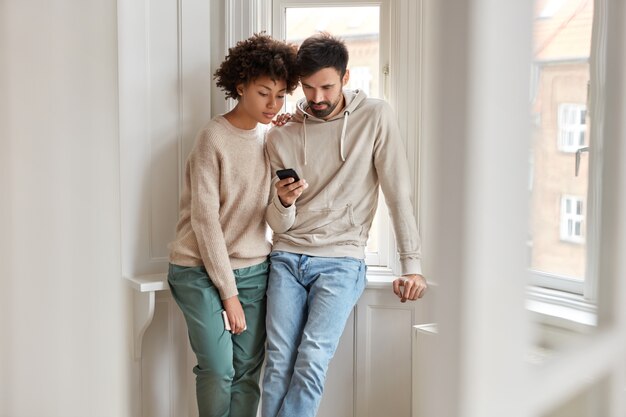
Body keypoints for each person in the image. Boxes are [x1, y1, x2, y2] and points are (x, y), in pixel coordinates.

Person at [261, 32, 428, 417]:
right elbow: (273, 220)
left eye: (326, 87)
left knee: (311, 362)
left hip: (341, 260)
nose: (316, 98)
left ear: (346, 77)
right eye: (307, 88)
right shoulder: (281, 134)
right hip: (286, 256)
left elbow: (397, 193)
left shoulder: (375, 116)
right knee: (277, 362)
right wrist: (284, 201)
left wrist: (412, 265)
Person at [167, 33, 298, 417]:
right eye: (263, 93)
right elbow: (205, 222)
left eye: (280, 95)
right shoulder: (212, 138)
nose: (273, 104)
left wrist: (285, 201)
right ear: (239, 86)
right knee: (219, 368)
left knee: (246, 372)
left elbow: (275, 221)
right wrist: (229, 294)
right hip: (199, 269)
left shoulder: (273, 139)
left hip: (255, 269)